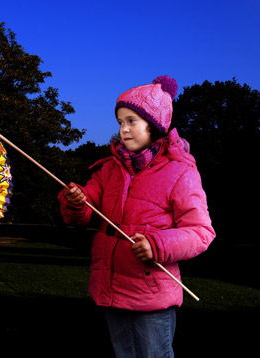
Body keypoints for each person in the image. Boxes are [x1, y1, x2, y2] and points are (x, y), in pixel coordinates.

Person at [58, 75, 215, 357]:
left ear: (153, 126)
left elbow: (201, 232)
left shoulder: (180, 171)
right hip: (110, 289)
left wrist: (157, 246)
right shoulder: (108, 169)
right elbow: (82, 216)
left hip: (151, 294)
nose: (124, 130)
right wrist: (76, 200)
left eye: (132, 121)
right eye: (120, 122)